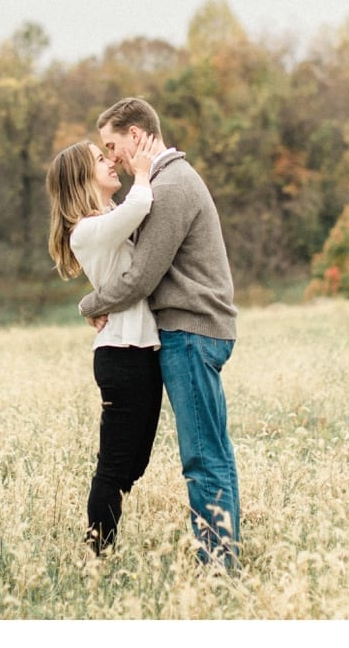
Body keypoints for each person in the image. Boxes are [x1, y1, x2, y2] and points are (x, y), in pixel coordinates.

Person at [78, 97, 240, 568]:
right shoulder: (170, 180)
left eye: (113, 144)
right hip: (195, 330)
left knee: (202, 458)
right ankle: (224, 555)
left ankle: (216, 566)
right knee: (215, 452)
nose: (113, 157)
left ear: (136, 135)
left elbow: (141, 278)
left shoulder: (170, 186)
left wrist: (90, 304)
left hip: (189, 331)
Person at [46, 132, 165, 555]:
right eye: (101, 160)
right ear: (83, 178)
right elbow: (140, 206)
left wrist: (89, 303)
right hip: (121, 357)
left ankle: (102, 546)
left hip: (140, 353)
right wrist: (145, 172)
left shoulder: (106, 219)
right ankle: (97, 554)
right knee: (114, 469)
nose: (111, 161)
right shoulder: (87, 230)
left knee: (133, 465)